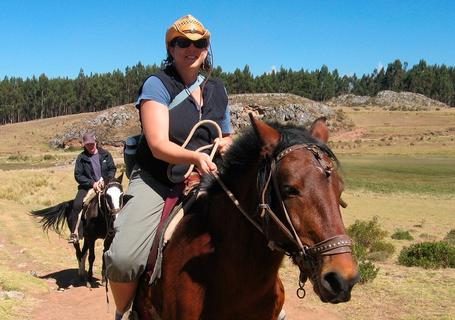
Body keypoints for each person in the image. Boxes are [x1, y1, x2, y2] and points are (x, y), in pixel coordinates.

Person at [104, 14, 233, 320]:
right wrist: (195, 157)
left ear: (207, 48)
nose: (192, 48)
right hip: (158, 180)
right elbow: (159, 144)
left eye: (199, 43)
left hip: (209, 179)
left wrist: (227, 144)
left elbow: (226, 134)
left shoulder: (217, 89)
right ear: (171, 48)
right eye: (182, 42)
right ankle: (127, 311)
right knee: (123, 258)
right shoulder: (157, 84)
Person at [68, 132, 117, 243]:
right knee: (77, 205)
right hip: (87, 187)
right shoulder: (81, 158)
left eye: (92, 143)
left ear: (96, 142)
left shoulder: (105, 154)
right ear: (84, 145)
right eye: (88, 144)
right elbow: (78, 175)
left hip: (105, 184)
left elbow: (112, 169)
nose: (90, 146)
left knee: (118, 200)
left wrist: (105, 180)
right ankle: (75, 233)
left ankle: (120, 228)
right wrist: (92, 183)